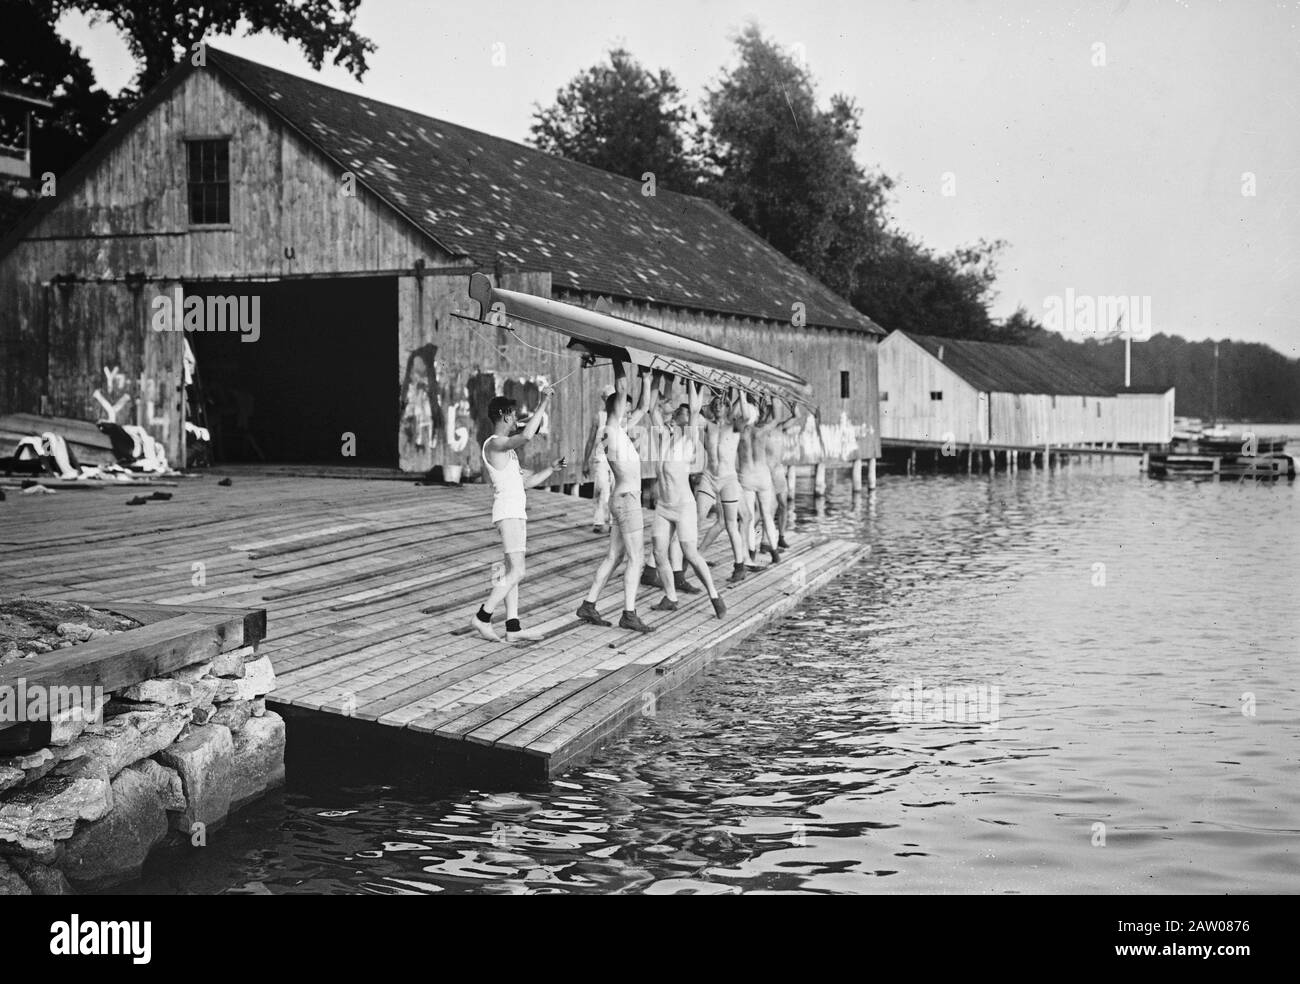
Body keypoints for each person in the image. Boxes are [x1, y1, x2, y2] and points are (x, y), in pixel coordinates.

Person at [472, 389, 565, 643]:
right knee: (518, 571)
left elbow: (529, 481)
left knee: (512, 570)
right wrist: (545, 400)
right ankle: (482, 617)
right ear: (503, 415)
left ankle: (512, 627)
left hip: (516, 513)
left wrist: (552, 469)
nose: (516, 419)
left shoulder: (509, 453)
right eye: (513, 415)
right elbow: (526, 435)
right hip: (507, 513)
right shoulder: (494, 444)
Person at [576, 362, 655, 633]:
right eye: (624, 408)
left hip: (621, 499)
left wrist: (646, 378)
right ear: (615, 409)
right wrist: (618, 356)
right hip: (628, 500)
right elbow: (621, 388)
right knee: (637, 559)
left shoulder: (617, 430)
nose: (629, 412)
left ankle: (589, 604)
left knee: (614, 556)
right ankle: (629, 613)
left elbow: (644, 407)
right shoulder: (610, 429)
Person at [649, 377, 725, 618]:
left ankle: (714, 595)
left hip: (683, 507)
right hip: (663, 506)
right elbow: (652, 408)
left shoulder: (689, 440)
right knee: (660, 552)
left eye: (682, 411)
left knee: (690, 553)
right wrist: (648, 379)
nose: (678, 412)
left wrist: (695, 382)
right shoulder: (663, 437)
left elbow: (694, 408)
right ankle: (670, 597)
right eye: (677, 411)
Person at [695, 388, 750, 583]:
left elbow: (746, 415)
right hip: (709, 477)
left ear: (728, 407)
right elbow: (695, 411)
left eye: (722, 404)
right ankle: (689, 559)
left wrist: (742, 393)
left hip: (728, 479)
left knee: (730, 524)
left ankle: (739, 566)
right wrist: (699, 387)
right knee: (697, 519)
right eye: (715, 404)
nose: (718, 406)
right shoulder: (708, 425)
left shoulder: (734, 426)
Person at [736, 391, 781, 565]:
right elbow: (776, 418)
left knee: (748, 517)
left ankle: (752, 552)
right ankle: (775, 551)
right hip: (763, 475)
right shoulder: (761, 431)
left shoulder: (740, 432)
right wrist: (773, 397)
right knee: (767, 514)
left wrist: (739, 395)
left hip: (746, 475)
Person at [767, 396, 800, 549]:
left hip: (779, 472)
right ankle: (762, 540)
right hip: (766, 473)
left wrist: (794, 405)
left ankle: (781, 536)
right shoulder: (761, 430)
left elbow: (797, 417)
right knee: (766, 508)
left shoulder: (779, 428)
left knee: (783, 505)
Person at [583, 385, 615, 534]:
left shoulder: (622, 416)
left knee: (616, 490)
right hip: (601, 457)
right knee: (601, 488)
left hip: (617, 458)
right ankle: (599, 521)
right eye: (608, 398)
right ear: (604, 399)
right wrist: (585, 461)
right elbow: (590, 440)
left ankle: (614, 522)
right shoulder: (599, 416)